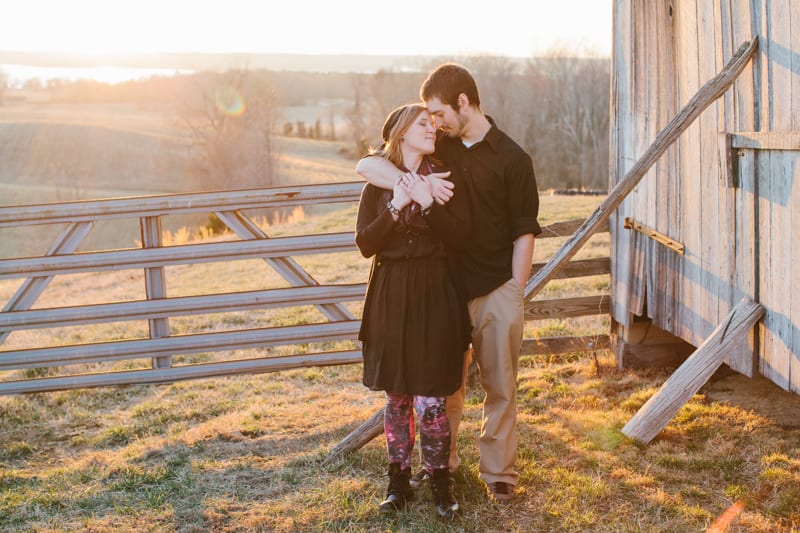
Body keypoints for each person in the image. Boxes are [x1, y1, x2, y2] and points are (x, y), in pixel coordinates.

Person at [356, 63, 541, 504]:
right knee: (445, 389)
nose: (434, 124)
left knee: (500, 386)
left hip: (496, 286)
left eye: (438, 113)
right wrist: (411, 186)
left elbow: (525, 230)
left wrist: (516, 289)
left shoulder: (513, 158)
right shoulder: (446, 152)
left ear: (463, 103)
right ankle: (444, 469)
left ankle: (498, 472)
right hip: (448, 291)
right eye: (428, 119)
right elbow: (371, 163)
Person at [355, 103, 471, 519]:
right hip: (390, 293)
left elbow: (460, 238)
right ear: (401, 132)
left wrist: (427, 203)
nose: (432, 129)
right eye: (423, 124)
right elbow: (367, 244)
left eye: (433, 124)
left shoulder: (444, 180)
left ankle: (441, 482)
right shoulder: (378, 184)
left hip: (435, 293)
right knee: (397, 398)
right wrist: (397, 202)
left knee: (432, 401)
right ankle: (397, 483)